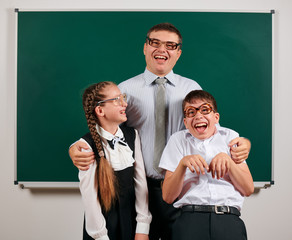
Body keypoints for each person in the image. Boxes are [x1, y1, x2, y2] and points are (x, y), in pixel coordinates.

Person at [70, 23, 251, 240]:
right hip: (138, 191)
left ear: (178, 53)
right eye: (155, 43)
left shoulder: (191, 88)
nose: (162, 50)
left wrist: (244, 143)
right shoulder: (125, 90)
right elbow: (105, 129)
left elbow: (211, 132)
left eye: (170, 45)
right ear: (145, 47)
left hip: (180, 189)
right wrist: (75, 147)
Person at [160, 90, 254, 240]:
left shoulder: (230, 137)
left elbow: (248, 189)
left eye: (205, 110)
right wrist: (183, 164)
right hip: (190, 219)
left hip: (228, 218)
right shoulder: (177, 141)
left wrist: (229, 162)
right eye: (191, 112)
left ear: (216, 117)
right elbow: (168, 197)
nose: (198, 116)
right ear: (185, 122)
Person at [79, 81, 151, 240]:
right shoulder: (86, 146)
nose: (124, 104)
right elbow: (90, 199)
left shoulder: (133, 135)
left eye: (123, 97)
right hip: (103, 226)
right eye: (117, 99)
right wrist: (101, 236)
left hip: (131, 221)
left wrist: (143, 227)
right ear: (100, 110)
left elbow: (140, 183)